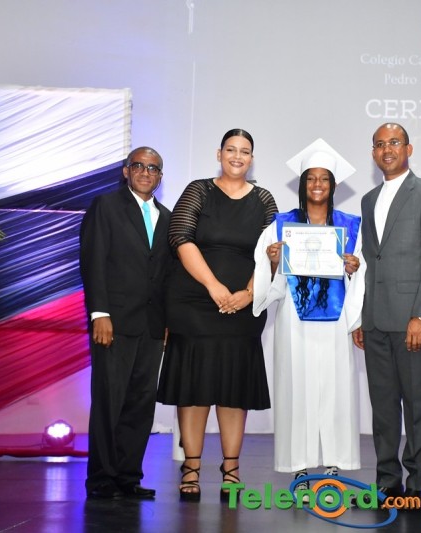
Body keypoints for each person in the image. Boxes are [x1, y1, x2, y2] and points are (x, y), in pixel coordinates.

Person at [157, 128, 278, 502]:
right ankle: (191, 467)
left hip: (242, 308)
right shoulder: (198, 190)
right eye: (231, 149)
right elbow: (180, 238)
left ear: (252, 158)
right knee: (193, 388)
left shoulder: (264, 199)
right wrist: (213, 286)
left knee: (233, 390)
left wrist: (248, 293)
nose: (237, 156)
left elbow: (273, 252)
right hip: (194, 303)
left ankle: (231, 469)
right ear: (219, 154)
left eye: (245, 151)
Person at [252, 141, 364, 500]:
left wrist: (354, 267)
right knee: (295, 386)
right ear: (302, 185)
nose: (317, 184)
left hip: (337, 319)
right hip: (294, 319)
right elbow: (268, 276)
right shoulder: (282, 224)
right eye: (311, 179)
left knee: (335, 388)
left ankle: (332, 465)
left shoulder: (351, 226)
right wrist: (273, 261)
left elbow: (363, 273)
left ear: (333, 185)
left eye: (324, 179)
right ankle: (298, 466)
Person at [352, 123, 421, 509]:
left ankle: (417, 483)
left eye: (394, 142)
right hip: (376, 320)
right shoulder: (368, 200)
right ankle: (387, 482)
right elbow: (370, 263)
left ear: (408, 149)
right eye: (379, 144)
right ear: (373, 153)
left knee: (416, 405)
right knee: (382, 409)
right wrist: (362, 317)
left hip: (414, 321)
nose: (387, 149)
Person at [80, 146, 174, 500]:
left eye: (153, 168)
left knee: (140, 404)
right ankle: (102, 478)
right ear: (126, 171)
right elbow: (93, 260)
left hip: (152, 325)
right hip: (113, 322)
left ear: (160, 176)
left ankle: (128, 477)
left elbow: (166, 275)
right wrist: (99, 313)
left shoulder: (166, 216)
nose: (146, 172)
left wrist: (167, 321)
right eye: (139, 166)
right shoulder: (105, 206)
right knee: (109, 401)